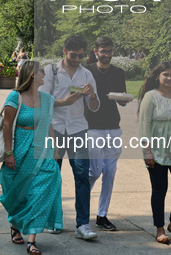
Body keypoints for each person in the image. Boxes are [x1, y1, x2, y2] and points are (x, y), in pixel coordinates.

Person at [39, 34, 100, 240]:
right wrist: (63, 102)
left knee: (82, 176)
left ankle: (82, 224)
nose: (77, 59)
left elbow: (94, 107)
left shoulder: (87, 74)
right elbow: (42, 101)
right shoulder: (51, 71)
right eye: (73, 55)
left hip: (78, 129)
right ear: (64, 51)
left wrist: (91, 95)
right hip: (54, 129)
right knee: (52, 174)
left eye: (81, 56)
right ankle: (54, 220)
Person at [0, 61, 63, 255]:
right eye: (41, 71)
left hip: (42, 150)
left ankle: (32, 240)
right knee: (18, 193)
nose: (45, 74)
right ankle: (15, 225)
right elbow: (7, 125)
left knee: (40, 191)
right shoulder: (15, 97)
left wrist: (54, 147)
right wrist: (9, 153)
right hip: (20, 149)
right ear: (33, 75)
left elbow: (49, 123)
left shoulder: (46, 99)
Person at [138, 61, 171, 244]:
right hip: (157, 150)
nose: (169, 78)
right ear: (157, 77)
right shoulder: (150, 96)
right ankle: (160, 228)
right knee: (160, 190)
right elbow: (144, 125)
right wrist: (147, 151)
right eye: (166, 75)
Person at [84, 37, 127, 231]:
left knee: (110, 172)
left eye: (110, 51)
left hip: (113, 127)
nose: (107, 55)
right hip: (92, 127)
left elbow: (122, 98)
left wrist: (123, 100)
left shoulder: (119, 72)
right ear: (96, 51)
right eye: (103, 51)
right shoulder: (87, 71)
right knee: (94, 171)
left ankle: (102, 215)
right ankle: (82, 208)